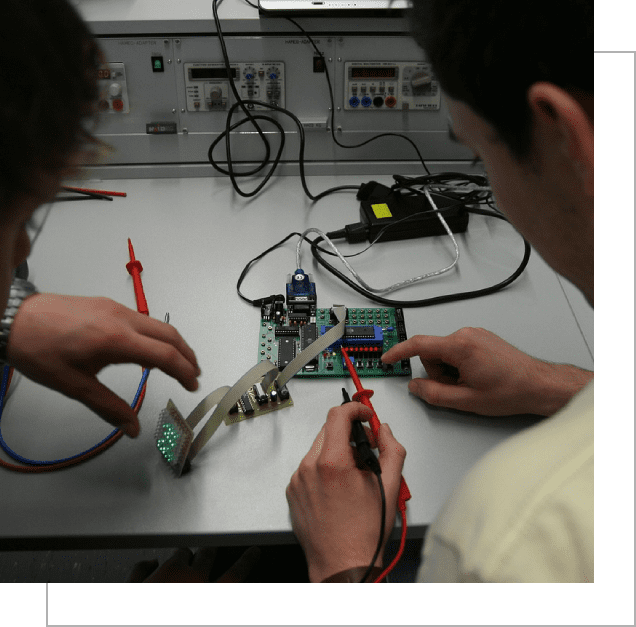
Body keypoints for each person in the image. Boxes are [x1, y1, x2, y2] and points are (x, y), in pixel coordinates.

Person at [285, 0, 594, 582]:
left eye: (479, 155)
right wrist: (557, 386)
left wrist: (341, 566)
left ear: (560, 135)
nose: (489, 194)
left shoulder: (505, 539)